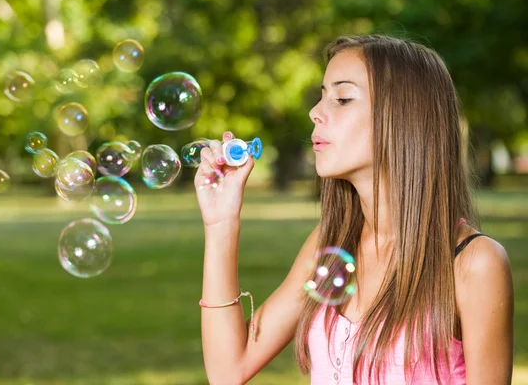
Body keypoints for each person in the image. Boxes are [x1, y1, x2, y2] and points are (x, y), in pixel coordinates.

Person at [194, 34, 514, 385]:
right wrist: (221, 221)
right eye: (321, 96)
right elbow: (228, 371)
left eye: (342, 98)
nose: (315, 112)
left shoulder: (473, 263)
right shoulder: (330, 245)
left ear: (403, 119)